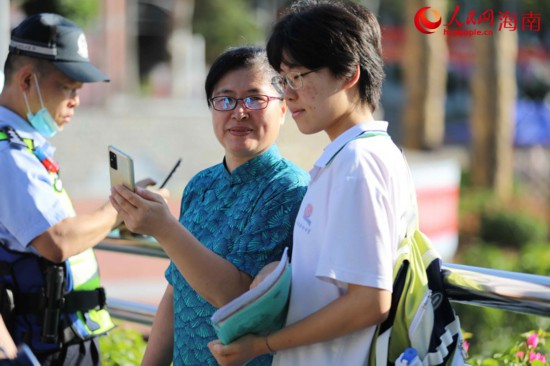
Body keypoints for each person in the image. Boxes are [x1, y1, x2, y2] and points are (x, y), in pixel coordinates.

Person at [208, 1, 420, 365]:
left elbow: (370, 301)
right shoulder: (354, 157)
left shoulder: (359, 163)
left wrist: (263, 344)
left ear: (349, 74)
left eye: (299, 77)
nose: (288, 94)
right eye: (284, 79)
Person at [109, 46, 309, 366]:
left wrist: (164, 228)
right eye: (225, 99)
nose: (238, 112)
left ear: (283, 108)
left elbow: (241, 302)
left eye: (255, 99)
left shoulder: (289, 189)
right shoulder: (201, 184)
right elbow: (176, 290)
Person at [0, 13, 157, 365]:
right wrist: (119, 205)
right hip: (45, 344)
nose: (76, 101)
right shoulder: (7, 153)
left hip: (56, 335)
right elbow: (57, 241)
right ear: (27, 80)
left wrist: (113, 217)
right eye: (67, 88)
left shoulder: (22, 146)